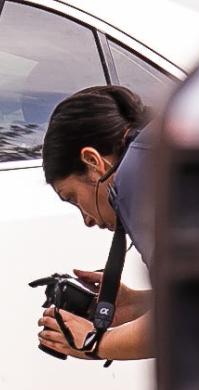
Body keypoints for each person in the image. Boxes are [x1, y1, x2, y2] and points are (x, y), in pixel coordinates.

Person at [37, 85, 154, 362]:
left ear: (93, 162)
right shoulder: (157, 151)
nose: (87, 220)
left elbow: (189, 318)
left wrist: (93, 341)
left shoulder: (140, 177)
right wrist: (137, 304)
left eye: (74, 198)